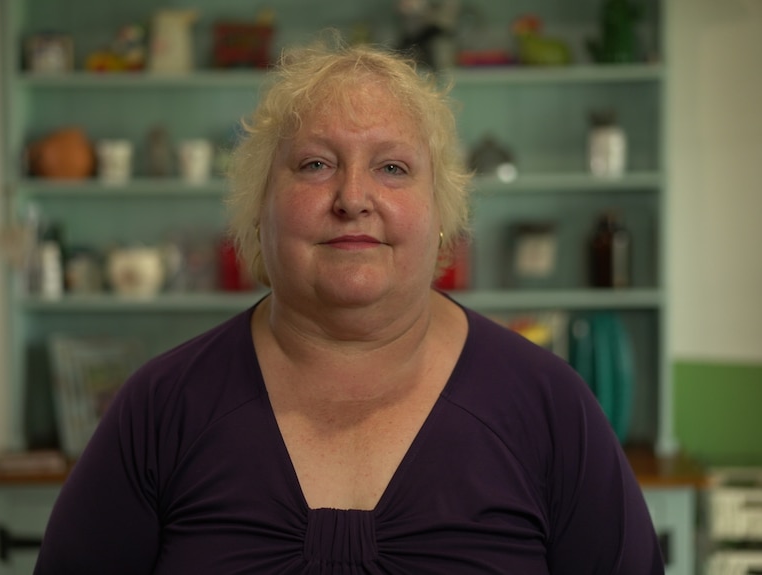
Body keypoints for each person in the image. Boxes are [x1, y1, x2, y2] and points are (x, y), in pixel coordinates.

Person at [34, 37, 664, 574]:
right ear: (259, 209)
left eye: (392, 167)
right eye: (315, 164)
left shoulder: (549, 408)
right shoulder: (162, 408)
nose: (353, 197)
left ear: (442, 217)